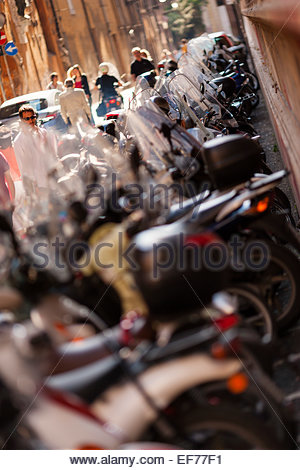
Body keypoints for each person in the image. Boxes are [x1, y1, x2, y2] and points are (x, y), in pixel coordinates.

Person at [13, 105, 57, 196]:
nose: (30, 120)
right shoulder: (18, 141)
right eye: (27, 118)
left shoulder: (44, 132)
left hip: (52, 178)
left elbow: (53, 154)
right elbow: (22, 167)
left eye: (32, 117)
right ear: (22, 121)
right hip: (38, 185)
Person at [0, 152, 15, 226]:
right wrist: (13, 201)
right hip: (5, 203)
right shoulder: (0, 156)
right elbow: (9, 179)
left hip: (5, 204)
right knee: (8, 231)